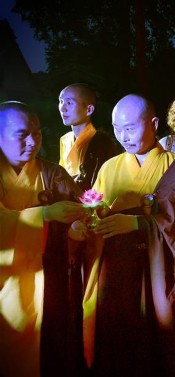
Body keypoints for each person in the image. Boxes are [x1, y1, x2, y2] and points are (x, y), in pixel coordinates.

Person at [80, 94, 175, 376]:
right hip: (115, 271)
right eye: (116, 128)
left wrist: (139, 224)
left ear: (153, 124)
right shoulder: (109, 167)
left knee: (158, 344)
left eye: (130, 128)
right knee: (117, 343)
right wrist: (88, 223)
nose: (123, 136)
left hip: (159, 269)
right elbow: (95, 212)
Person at [0, 101, 85, 376]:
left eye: (37, 133)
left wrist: (78, 226)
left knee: (51, 349)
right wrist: (44, 214)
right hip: (6, 277)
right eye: (22, 134)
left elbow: (80, 211)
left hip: (49, 276)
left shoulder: (53, 174)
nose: (32, 141)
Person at [58, 83, 118, 190]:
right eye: (61, 101)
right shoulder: (65, 139)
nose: (62, 108)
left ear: (89, 109)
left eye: (69, 103)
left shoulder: (102, 142)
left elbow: (98, 184)